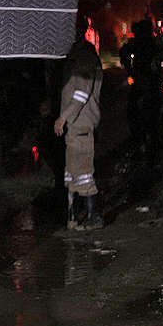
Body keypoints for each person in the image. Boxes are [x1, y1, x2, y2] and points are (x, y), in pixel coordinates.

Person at [54, 40, 103, 229]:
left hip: (81, 124)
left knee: (83, 173)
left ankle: (92, 217)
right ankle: (73, 216)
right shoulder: (78, 57)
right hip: (76, 126)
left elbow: (82, 92)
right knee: (73, 173)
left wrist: (63, 118)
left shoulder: (84, 58)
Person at [118, 19, 163, 162]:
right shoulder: (150, 43)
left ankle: (146, 150)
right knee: (145, 117)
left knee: (142, 117)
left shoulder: (147, 44)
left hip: (148, 84)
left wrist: (130, 69)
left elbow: (124, 52)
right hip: (147, 84)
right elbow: (124, 52)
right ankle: (146, 150)